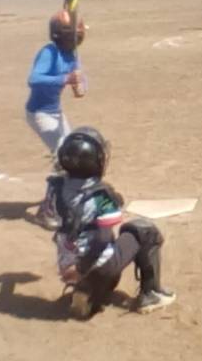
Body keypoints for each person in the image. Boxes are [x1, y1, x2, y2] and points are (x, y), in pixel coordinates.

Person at [50, 127, 177, 318]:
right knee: (141, 231)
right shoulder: (101, 197)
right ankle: (151, 294)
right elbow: (100, 241)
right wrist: (82, 268)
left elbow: (48, 217)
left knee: (106, 252)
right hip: (89, 262)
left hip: (66, 261)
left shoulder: (55, 188)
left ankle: (87, 291)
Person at [25, 9, 86, 226]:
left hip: (57, 113)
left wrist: (79, 85)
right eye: (76, 30)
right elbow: (33, 79)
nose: (80, 34)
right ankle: (46, 212)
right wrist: (64, 79)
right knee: (62, 157)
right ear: (63, 34)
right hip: (39, 113)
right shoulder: (49, 53)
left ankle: (66, 200)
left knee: (72, 155)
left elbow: (79, 83)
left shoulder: (73, 54)